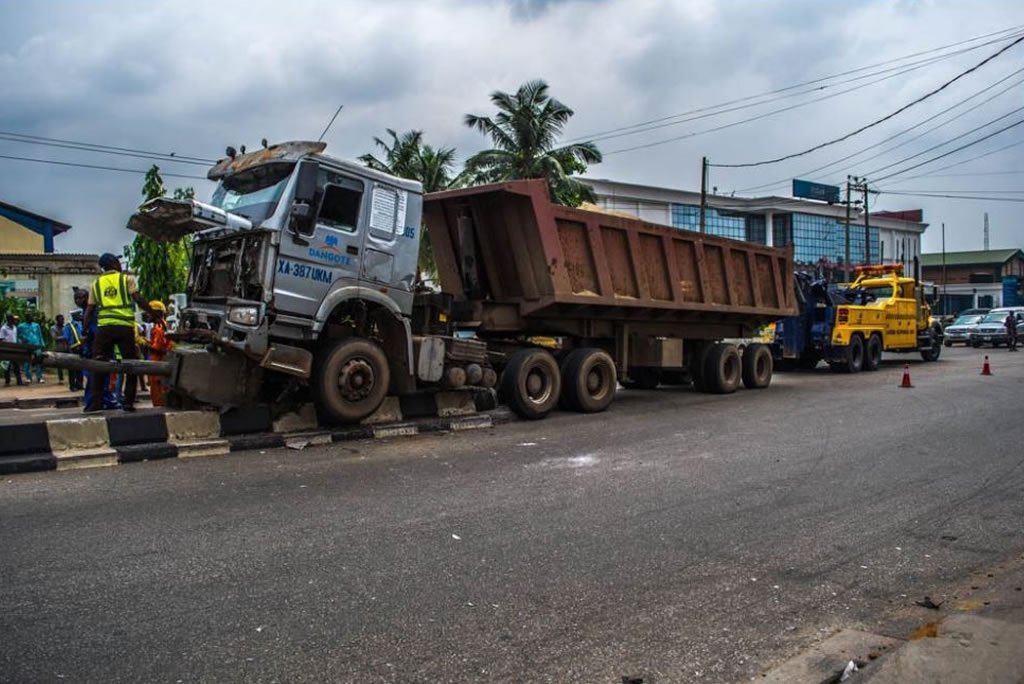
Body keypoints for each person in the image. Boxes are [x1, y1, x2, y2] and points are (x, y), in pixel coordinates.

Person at [82, 254, 155, 412]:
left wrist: (84, 331)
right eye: (118, 261)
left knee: (99, 365)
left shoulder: (96, 284)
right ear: (114, 263)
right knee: (131, 365)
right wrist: (153, 313)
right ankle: (128, 403)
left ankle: (96, 403)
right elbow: (138, 299)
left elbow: (89, 310)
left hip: (104, 330)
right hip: (124, 328)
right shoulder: (126, 279)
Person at [74, 287, 117, 410]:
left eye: (82, 297)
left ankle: (96, 403)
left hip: (99, 351)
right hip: (92, 351)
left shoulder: (94, 312)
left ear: (88, 298)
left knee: (96, 379)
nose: (79, 300)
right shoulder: (84, 313)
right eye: (77, 298)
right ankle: (102, 402)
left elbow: (97, 333)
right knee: (96, 379)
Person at [146, 301, 174, 407]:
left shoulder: (158, 328)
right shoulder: (163, 325)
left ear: (157, 313)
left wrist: (144, 344)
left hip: (157, 367)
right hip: (159, 366)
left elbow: (157, 348)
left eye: (150, 312)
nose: (148, 315)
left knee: (158, 400)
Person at [17, 311, 45, 383]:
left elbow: (40, 335)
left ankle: (40, 377)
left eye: (32, 316)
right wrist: (21, 344)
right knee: (27, 362)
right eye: (31, 316)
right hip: (27, 346)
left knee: (39, 360)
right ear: (27, 317)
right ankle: (28, 377)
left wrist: (42, 344)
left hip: (37, 344)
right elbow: (18, 337)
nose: (32, 317)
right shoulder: (21, 326)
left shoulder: (36, 325)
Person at [1, 314, 25, 386]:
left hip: (15, 348)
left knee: (16, 365)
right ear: (9, 320)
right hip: (7, 349)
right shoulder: (3, 328)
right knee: (7, 366)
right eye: (12, 319)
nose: (14, 321)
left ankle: (19, 381)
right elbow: (1, 339)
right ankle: (7, 382)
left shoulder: (15, 327)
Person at [64, 311, 85, 391]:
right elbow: (66, 339)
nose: (80, 316)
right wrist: (69, 350)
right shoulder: (68, 326)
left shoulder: (80, 324)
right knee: (72, 369)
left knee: (80, 367)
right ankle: (72, 386)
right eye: (79, 315)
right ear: (74, 316)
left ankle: (80, 384)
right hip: (73, 349)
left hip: (81, 348)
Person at [51, 314, 68, 386]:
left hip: (66, 347)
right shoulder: (53, 328)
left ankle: (71, 378)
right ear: (57, 320)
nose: (63, 321)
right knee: (59, 365)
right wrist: (65, 337)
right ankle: (61, 379)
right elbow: (55, 337)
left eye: (63, 319)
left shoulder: (65, 327)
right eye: (61, 319)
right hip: (59, 348)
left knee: (70, 362)